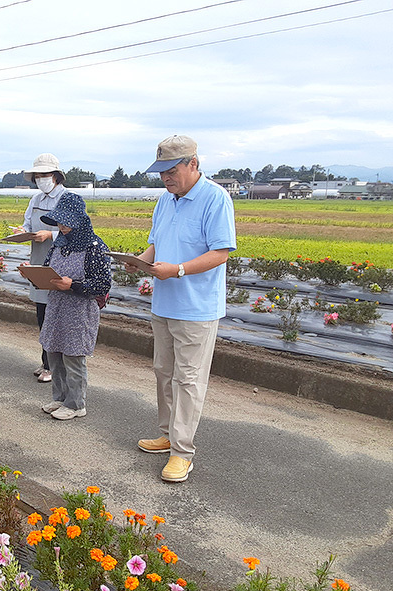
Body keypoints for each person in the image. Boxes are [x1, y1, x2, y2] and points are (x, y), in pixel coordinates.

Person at [127, 134, 237, 482]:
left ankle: (182, 451)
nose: (166, 178)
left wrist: (177, 270)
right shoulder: (166, 201)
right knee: (164, 372)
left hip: (196, 308)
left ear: (193, 164)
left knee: (188, 380)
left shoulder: (214, 199)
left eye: (172, 171)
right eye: (161, 173)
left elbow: (220, 253)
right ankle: (168, 434)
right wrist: (140, 261)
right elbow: (156, 245)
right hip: (165, 303)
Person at [37, 191, 111, 420]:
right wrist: (34, 275)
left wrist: (74, 285)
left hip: (79, 312)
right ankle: (59, 398)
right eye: (60, 221)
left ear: (80, 219)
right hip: (56, 308)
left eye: (67, 221)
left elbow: (102, 284)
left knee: (73, 357)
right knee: (54, 354)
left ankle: (76, 404)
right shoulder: (59, 244)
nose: (63, 226)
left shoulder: (95, 247)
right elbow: (47, 267)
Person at [16, 153, 68, 383]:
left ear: (56, 176)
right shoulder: (35, 200)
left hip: (58, 263)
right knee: (42, 315)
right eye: (37, 176)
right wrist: (22, 232)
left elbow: (77, 232)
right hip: (39, 262)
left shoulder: (67, 199)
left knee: (55, 316)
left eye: (45, 175)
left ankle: (54, 366)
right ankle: (46, 361)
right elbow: (28, 223)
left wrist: (51, 234)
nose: (41, 179)